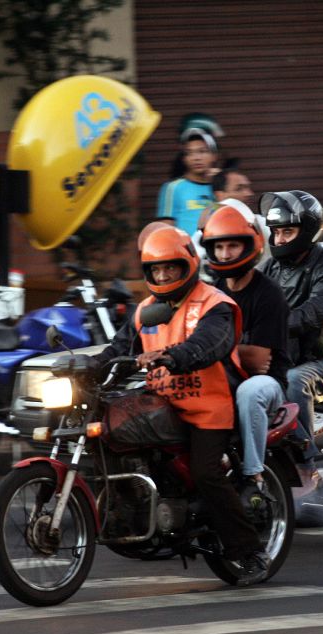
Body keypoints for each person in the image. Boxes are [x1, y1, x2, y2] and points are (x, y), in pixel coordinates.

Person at [89, 226, 270, 585]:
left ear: (187, 263)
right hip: (163, 404)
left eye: (169, 268)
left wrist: (174, 357)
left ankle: (249, 550)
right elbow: (119, 347)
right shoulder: (145, 311)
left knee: (206, 473)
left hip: (209, 408)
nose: (163, 276)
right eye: (156, 270)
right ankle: (131, 510)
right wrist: (88, 368)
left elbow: (211, 343)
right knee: (106, 432)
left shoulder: (214, 304)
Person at [260, 191, 323, 480]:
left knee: (294, 381)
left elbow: (313, 312)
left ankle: (305, 464)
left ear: (309, 230)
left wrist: (270, 326)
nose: (280, 239)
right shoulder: (272, 266)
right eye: (276, 232)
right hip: (287, 355)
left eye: (288, 231)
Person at [201, 205, 291, 490]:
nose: (225, 254)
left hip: (267, 383)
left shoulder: (268, 293)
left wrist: (215, 349)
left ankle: (254, 475)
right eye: (219, 247)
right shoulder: (213, 291)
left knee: (250, 392)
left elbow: (259, 362)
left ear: (248, 246)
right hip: (222, 378)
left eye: (232, 246)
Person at [156, 128, 221, 236]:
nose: (196, 158)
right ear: (184, 159)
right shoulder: (173, 188)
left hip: (219, 250)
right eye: (189, 153)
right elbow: (165, 229)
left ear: (214, 156)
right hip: (186, 251)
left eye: (202, 151)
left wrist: (219, 181)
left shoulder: (222, 185)